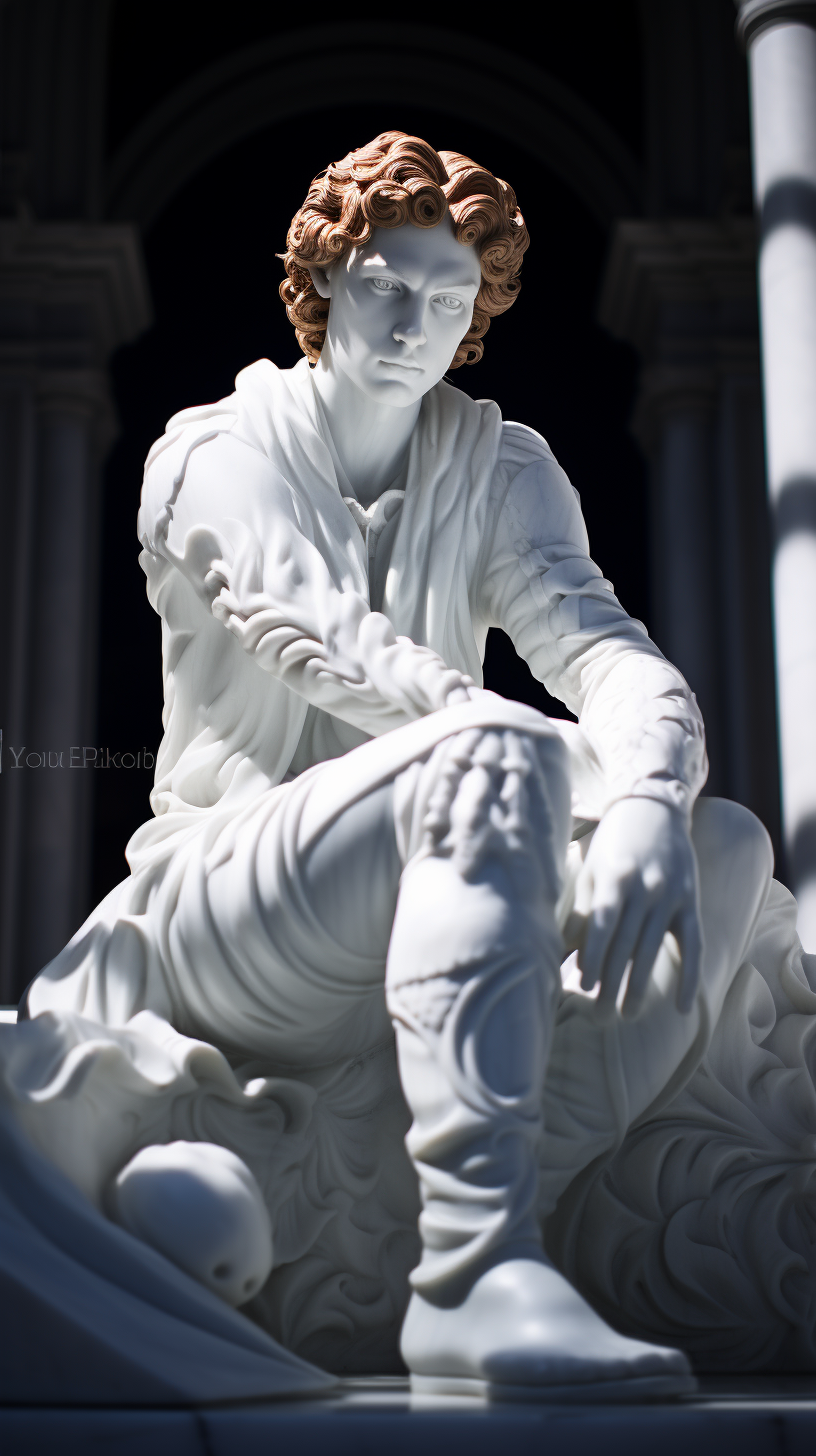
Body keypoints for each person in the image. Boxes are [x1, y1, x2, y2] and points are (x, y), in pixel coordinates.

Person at [24, 131, 774, 1400]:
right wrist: (545, 759)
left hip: (465, 839)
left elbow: (606, 653)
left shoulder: (503, 467)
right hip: (231, 904)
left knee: (725, 848)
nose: (417, 320)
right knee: (481, 751)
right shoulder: (216, 449)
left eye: (451, 296)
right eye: (386, 284)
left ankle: (455, 1216)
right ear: (323, 278)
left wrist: (648, 792)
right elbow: (316, 635)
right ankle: (476, 1273)